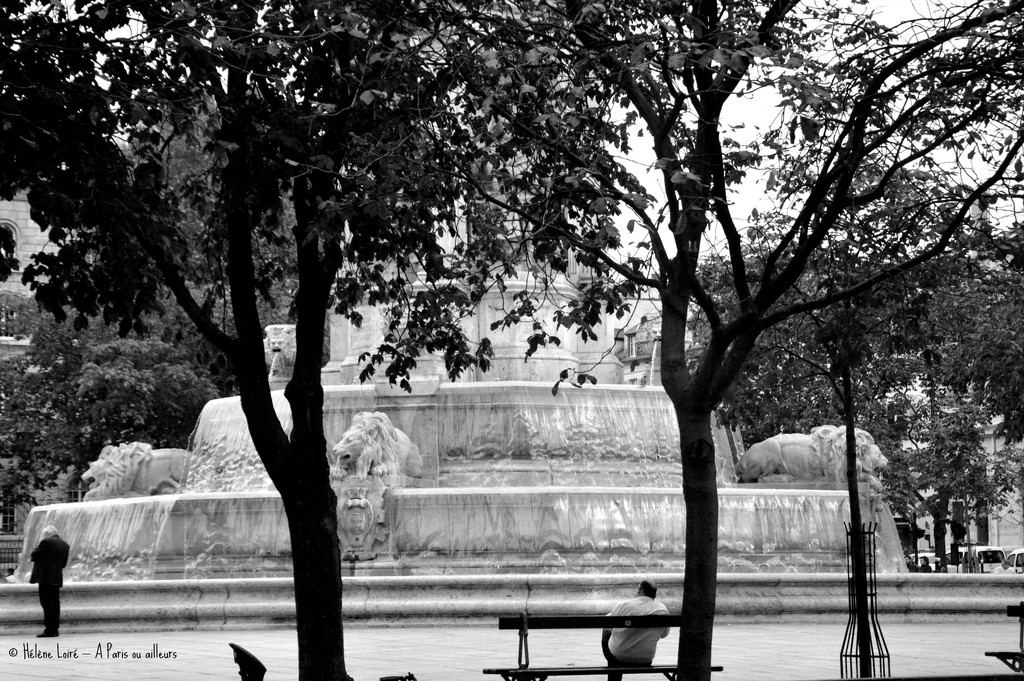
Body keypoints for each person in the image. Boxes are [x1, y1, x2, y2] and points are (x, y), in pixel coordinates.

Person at [602, 580, 670, 681]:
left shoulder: (623, 605)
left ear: (641, 590)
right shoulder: (662, 610)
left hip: (619, 657)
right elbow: (664, 634)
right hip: (646, 658)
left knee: (606, 631)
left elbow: (609, 623)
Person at [29, 525, 70, 637]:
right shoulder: (65, 545)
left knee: (46, 604)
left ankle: (49, 629)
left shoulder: (46, 542)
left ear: (47, 534)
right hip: (56, 578)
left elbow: (34, 555)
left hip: (45, 577)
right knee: (55, 604)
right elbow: (64, 564)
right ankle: (55, 629)